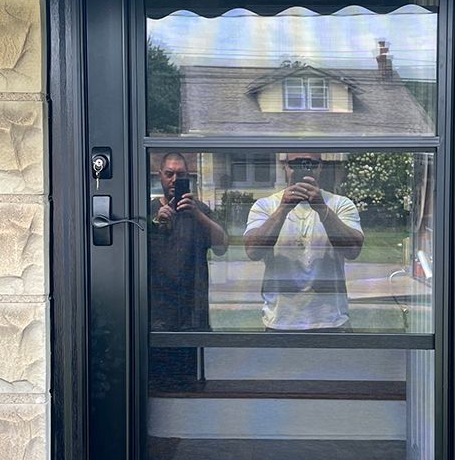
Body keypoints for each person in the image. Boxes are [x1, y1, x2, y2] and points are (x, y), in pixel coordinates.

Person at [244, 153, 363, 331]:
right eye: (296, 164)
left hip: (331, 320)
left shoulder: (340, 204)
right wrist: (283, 208)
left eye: (310, 164)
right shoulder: (265, 205)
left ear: (320, 167)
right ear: (285, 167)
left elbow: (353, 250)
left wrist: (321, 208)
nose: (302, 170)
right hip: (280, 321)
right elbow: (253, 251)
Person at [149, 151, 228, 381]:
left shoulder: (200, 210)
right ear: (160, 176)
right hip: (156, 316)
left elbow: (222, 245)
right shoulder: (149, 210)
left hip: (192, 314)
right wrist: (157, 220)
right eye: (169, 174)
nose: (174, 179)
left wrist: (197, 215)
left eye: (180, 175)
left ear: (189, 177)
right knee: (157, 385)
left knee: (191, 384)